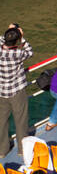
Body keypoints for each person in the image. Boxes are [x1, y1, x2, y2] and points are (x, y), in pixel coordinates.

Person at [0, 23, 32, 158]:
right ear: (17, 42)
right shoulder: (18, 53)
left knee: (1, 121)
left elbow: (3, 40)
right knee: (21, 121)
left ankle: (2, 150)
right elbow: (30, 51)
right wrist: (22, 37)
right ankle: (22, 149)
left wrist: (10, 31)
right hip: (17, 91)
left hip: (1, 91)